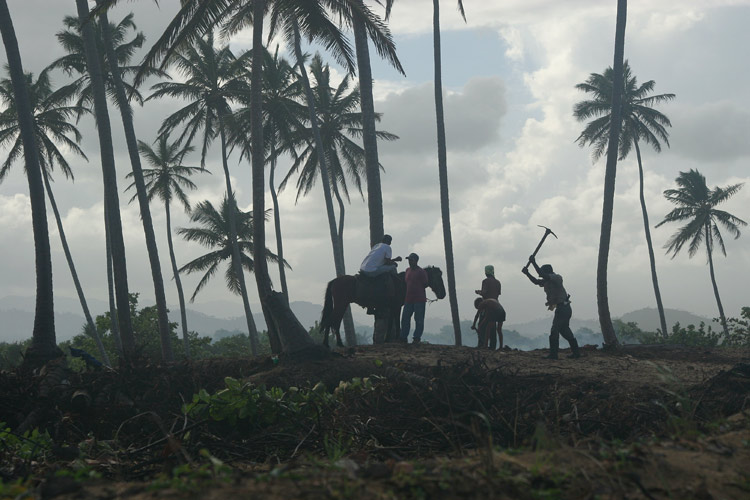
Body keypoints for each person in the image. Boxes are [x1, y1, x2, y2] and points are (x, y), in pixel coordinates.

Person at [521, 256, 580, 359]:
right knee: (565, 331)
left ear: (547, 272)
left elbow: (541, 275)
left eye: (542, 273)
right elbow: (536, 281)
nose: (541, 275)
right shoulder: (547, 281)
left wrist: (534, 263)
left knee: (554, 330)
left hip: (563, 308)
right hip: (563, 309)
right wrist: (527, 274)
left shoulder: (556, 278)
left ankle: (553, 355)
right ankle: (576, 353)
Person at [400, 253, 429, 344]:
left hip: (419, 299)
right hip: (408, 299)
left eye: (411, 260)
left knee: (419, 319)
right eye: (409, 260)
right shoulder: (407, 270)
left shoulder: (421, 272)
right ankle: (403, 337)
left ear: (416, 261)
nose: (409, 262)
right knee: (405, 319)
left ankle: (416, 338)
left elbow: (425, 283)